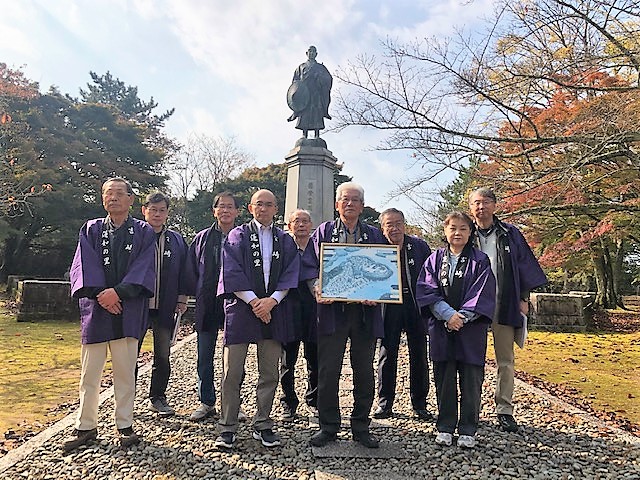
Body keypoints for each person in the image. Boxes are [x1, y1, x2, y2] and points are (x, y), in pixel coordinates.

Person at [64, 177, 156, 452]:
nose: (113, 197)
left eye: (118, 193)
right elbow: (84, 266)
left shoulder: (143, 231)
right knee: (89, 372)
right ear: (102, 198)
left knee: (125, 372)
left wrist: (118, 293)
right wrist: (101, 295)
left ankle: (124, 424)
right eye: (108, 193)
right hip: (96, 309)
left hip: (128, 308)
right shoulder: (91, 229)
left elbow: (144, 267)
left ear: (131, 199)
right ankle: (86, 425)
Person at [302, 182, 385, 449]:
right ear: (337, 204)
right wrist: (317, 287)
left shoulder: (374, 235)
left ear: (362, 206)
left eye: (355, 200)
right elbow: (308, 266)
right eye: (345, 199)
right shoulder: (324, 232)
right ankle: (328, 426)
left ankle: (361, 426)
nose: (350, 204)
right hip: (332, 312)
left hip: (364, 313)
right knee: (328, 370)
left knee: (364, 371)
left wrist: (379, 293)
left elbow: (385, 267)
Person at [215, 189, 300, 449]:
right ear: (251, 208)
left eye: (269, 204)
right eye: (259, 204)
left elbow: (290, 273)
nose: (264, 209)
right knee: (232, 371)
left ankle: (262, 423)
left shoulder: (284, 240)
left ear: (276, 209)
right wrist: (255, 302)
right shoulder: (237, 235)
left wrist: (271, 301)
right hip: (242, 309)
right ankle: (227, 426)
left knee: (269, 371)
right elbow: (231, 271)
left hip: (274, 309)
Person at [468, 187, 547, 433]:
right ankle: (471, 409)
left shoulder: (510, 233)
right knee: (471, 358)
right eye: (476, 203)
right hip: (473, 305)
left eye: (485, 202)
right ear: (470, 207)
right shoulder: (466, 232)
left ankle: (504, 409)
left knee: (505, 359)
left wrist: (524, 298)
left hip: (504, 301)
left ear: (495, 205)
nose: (481, 207)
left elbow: (524, 265)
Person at [416, 212, 496, 448]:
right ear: (445, 231)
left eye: (463, 228)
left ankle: (468, 428)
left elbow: (483, 293)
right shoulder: (434, 259)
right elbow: (426, 290)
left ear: (470, 232)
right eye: (453, 228)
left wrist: (461, 317)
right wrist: (448, 315)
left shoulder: (480, 260)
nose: (457, 233)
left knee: (471, 379)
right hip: (442, 327)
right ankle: (445, 426)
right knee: (444, 378)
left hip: (471, 329)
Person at [373, 208, 432, 421]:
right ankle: (385, 403)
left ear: (404, 225)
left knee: (419, 354)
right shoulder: (377, 248)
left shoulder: (419, 246)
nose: (395, 228)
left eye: (398, 223)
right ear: (382, 228)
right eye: (389, 224)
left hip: (414, 304)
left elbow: (430, 276)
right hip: (389, 305)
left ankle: (420, 403)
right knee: (387, 353)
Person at [186, 192, 240, 421]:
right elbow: (191, 269)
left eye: (230, 207)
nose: (225, 211)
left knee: (234, 358)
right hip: (207, 301)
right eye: (221, 207)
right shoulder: (202, 238)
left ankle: (233, 403)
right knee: (204, 354)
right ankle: (206, 401)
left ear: (237, 211)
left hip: (236, 301)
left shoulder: (243, 237)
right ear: (214, 211)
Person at [138, 192, 189, 417]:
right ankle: (126, 398)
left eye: (162, 210)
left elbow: (185, 270)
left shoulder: (176, 240)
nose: (157, 214)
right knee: (129, 354)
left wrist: (182, 297)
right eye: (153, 210)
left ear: (167, 213)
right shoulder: (135, 235)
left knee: (163, 354)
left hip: (165, 306)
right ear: (144, 211)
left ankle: (157, 397)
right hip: (138, 305)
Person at [279, 209, 318, 420]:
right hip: (289, 306)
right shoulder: (283, 246)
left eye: (305, 221)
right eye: (297, 221)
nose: (301, 225)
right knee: (288, 360)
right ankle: (288, 401)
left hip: (314, 308)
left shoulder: (318, 247)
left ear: (311, 224)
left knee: (314, 357)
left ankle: (314, 400)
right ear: (289, 225)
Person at [286, 45, 333, 138]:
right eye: (310, 51)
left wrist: (320, 77)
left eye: (313, 52)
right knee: (304, 113)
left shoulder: (320, 67)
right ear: (307, 53)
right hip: (304, 93)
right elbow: (295, 81)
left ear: (316, 54)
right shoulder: (301, 67)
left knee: (317, 112)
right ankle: (304, 134)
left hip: (316, 92)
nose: (311, 53)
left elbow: (328, 79)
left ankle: (317, 134)